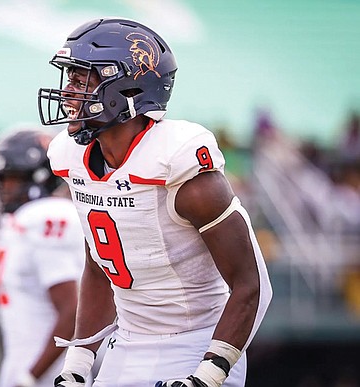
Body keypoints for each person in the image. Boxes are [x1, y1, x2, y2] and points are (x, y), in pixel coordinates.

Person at [37, 18, 273, 387]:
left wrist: (209, 374)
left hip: (198, 345)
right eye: (70, 78)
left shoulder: (182, 168)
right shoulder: (73, 158)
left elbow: (251, 284)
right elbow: (100, 266)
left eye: (83, 79)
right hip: (127, 344)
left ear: (128, 86)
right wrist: (80, 360)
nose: (69, 92)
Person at [0, 128, 93, 387]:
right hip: (27, 365)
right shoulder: (24, 220)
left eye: (8, 177)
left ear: (37, 177)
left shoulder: (45, 216)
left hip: (49, 375)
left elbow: (73, 311)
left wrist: (30, 377)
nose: (2, 187)